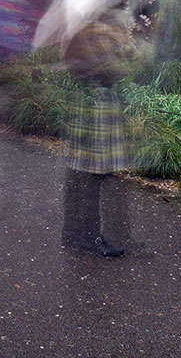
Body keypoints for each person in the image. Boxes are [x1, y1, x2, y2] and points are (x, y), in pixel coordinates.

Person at [60, 14, 136, 257]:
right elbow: (112, 68)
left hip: (86, 105)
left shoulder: (84, 25)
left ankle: (72, 232)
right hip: (96, 105)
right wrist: (127, 49)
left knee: (82, 172)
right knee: (92, 175)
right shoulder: (98, 30)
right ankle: (88, 237)